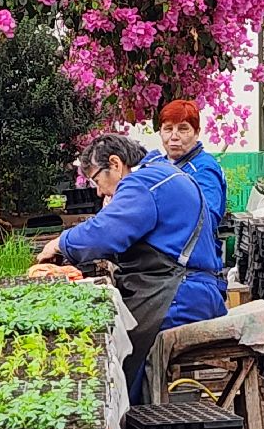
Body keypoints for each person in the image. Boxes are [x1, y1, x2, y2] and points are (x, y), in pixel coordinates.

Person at [37, 134, 226, 399]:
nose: (100, 191)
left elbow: (108, 231)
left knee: (122, 361)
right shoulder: (158, 175)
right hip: (189, 289)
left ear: (115, 164)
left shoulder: (144, 182)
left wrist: (60, 243)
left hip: (180, 295)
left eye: (97, 180)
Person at [153, 99, 226, 234]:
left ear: (196, 132)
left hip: (189, 252)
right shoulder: (158, 164)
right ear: (160, 132)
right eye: (168, 129)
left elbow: (207, 220)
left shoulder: (203, 169)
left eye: (183, 129)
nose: (174, 136)